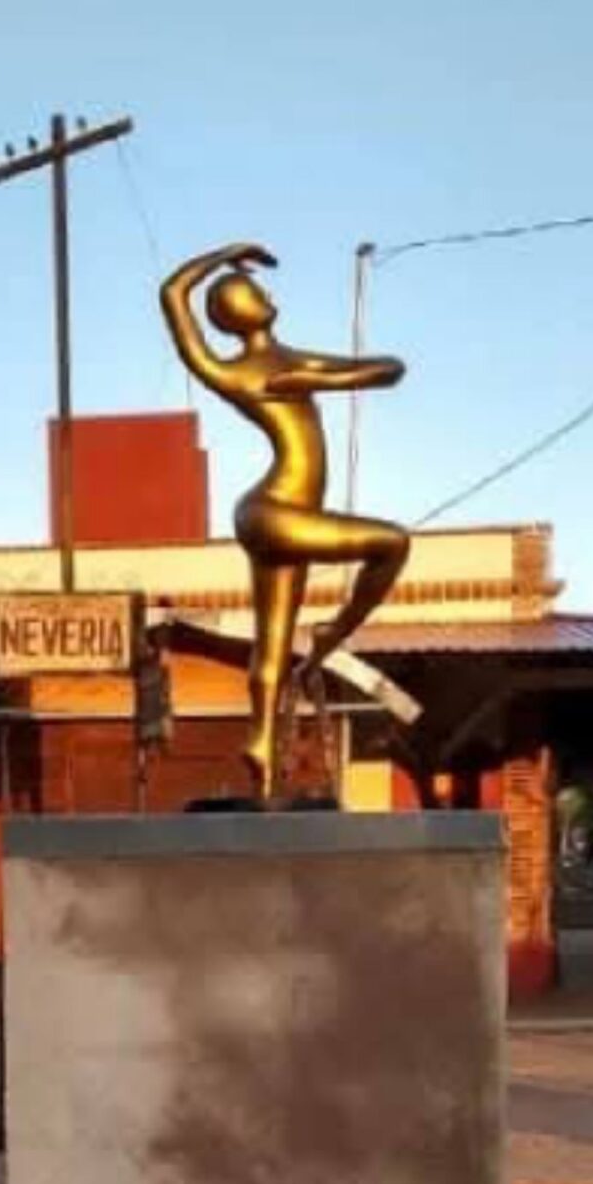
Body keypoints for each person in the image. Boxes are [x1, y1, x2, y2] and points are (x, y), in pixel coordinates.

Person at [159, 243, 411, 805]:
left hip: (284, 513)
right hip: (273, 512)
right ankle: (333, 632)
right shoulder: (236, 372)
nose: (265, 293)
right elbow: (172, 294)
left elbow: (387, 370)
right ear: (234, 314)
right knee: (391, 542)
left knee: (271, 645)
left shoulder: (290, 362)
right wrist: (221, 255)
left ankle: (261, 748)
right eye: (251, 291)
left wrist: (310, 376)